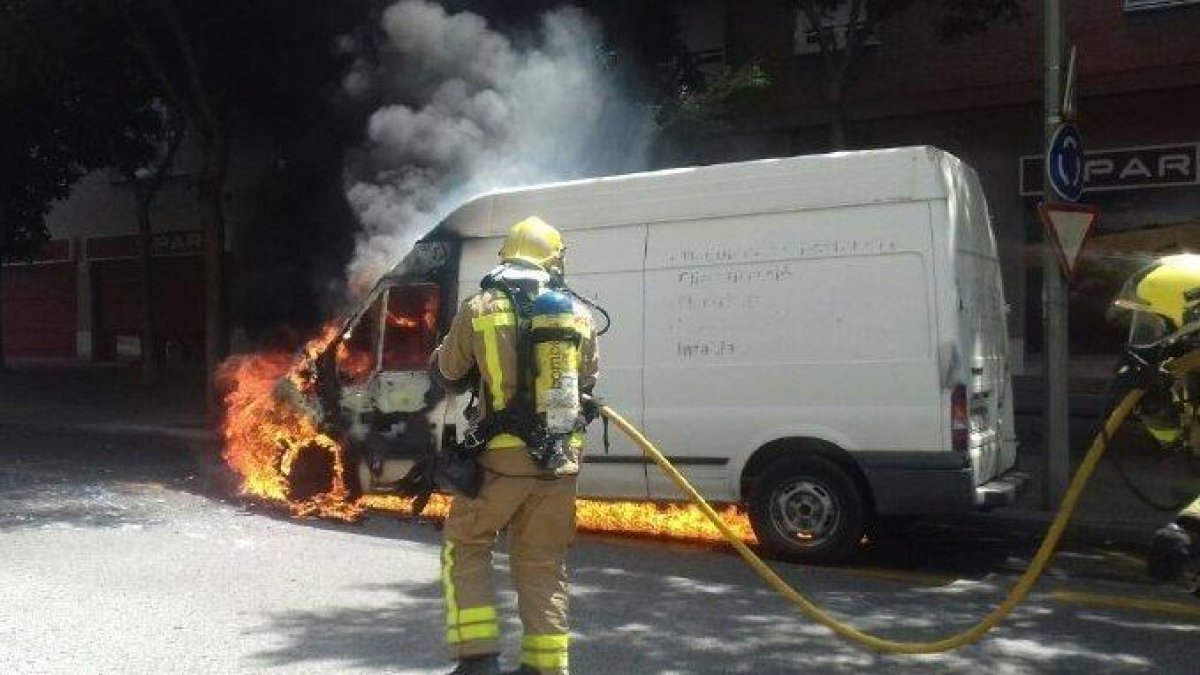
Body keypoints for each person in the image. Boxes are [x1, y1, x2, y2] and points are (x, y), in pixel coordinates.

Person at [430, 216, 599, 675]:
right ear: (553, 259)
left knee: (466, 543)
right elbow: (586, 382)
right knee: (543, 563)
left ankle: (478, 658)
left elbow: (446, 372)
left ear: (507, 256)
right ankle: (546, 666)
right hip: (559, 463)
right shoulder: (577, 314)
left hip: (500, 463)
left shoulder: (480, 307)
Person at [1111, 253, 1200, 589]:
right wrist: (1155, 404)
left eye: (1153, 327)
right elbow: (1173, 439)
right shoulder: (1189, 376)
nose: (1144, 341)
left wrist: (1190, 526)